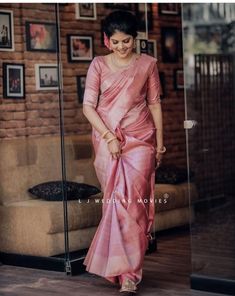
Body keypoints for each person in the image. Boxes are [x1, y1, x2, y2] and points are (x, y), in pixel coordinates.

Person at [82, 10, 165, 295]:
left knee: (134, 205)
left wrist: (160, 143)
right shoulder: (98, 65)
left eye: (126, 41)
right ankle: (118, 267)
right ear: (107, 40)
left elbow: (154, 104)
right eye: (116, 42)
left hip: (141, 138)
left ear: (135, 39)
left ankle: (130, 274)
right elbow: (88, 107)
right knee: (116, 204)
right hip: (108, 141)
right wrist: (108, 136)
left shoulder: (147, 65)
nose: (121, 47)